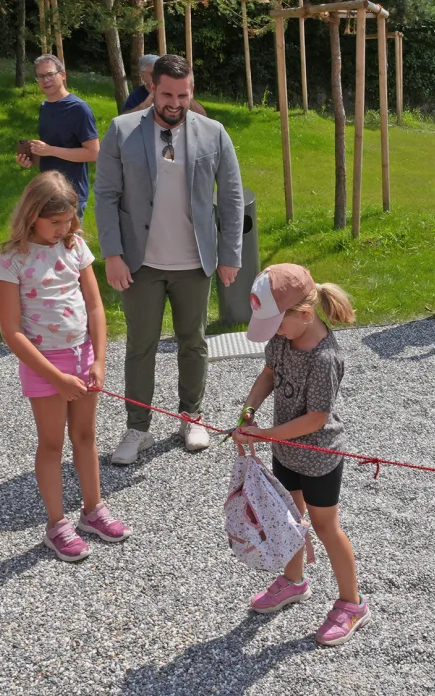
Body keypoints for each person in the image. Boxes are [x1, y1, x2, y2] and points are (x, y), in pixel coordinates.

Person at [95, 54, 244, 465]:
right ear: (152, 89)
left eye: (183, 95)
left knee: (193, 342)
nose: (175, 103)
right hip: (139, 263)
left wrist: (230, 254)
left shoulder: (214, 133)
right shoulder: (122, 130)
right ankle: (137, 428)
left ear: (191, 91)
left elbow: (231, 198)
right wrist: (112, 255)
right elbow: (105, 196)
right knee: (140, 346)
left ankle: (190, 417)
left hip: (194, 263)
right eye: (167, 95)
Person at [0, 171, 131, 562]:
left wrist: (99, 360)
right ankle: (56, 524)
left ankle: (93, 510)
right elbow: (11, 331)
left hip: (82, 355)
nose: (63, 229)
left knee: (86, 436)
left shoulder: (75, 247)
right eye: (54, 222)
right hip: (43, 365)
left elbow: (95, 306)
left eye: (68, 220)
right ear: (32, 215)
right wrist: (56, 377)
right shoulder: (11, 259)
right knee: (52, 443)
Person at [233, 263, 371, 647]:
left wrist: (263, 434)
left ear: (305, 314)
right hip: (286, 450)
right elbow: (268, 374)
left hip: (318, 458)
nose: (274, 332)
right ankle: (294, 581)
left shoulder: (325, 358)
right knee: (289, 520)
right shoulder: (282, 339)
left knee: (326, 529)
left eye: (276, 324)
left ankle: (352, 604)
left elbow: (315, 419)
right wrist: (248, 412)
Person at [15, 55, 99, 221]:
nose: (45, 80)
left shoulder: (79, 109)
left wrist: (50, 150)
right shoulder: (45, 107)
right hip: (48, 191)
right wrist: (31, 158)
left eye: (50, 74)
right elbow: (52, 148)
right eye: (40, 76)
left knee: (68, 238)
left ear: (63, 75)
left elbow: (93, 153)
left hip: (71, 194)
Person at [122, 53, 208, 117]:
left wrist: (185, 98)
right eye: (153, 73)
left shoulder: (180, 94)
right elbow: (124, 119)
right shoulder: (137, 95)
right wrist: (144, 106)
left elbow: (203, 117)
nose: (158, 76)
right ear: (142, 75)